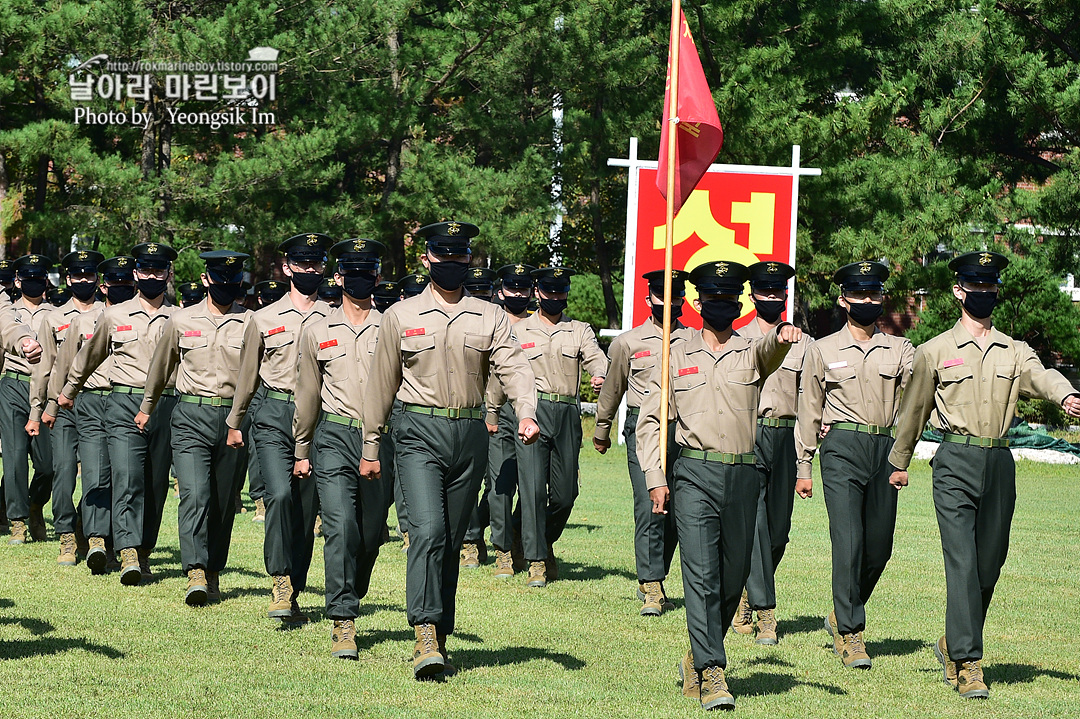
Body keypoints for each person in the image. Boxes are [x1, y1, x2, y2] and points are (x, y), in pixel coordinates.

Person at [888, 251, 1080, 699]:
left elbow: (1042, 375)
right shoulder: (933, 351)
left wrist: (1067, 396)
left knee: (989, 564)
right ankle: (969, 663)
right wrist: (899, 462)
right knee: (962, 563)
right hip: (954, 461)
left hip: (999, 463)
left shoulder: (1015, 350)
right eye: (975, 286)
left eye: (990, 286)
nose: (984, 294)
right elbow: (913, 410)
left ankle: (953, 641)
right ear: (959, 290)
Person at [360, 220, 539, 679]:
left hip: (470, 434)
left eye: (461, 256)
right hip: (417, 430)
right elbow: (381, 385)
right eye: (445, 255)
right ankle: (423, 631)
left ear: (469, 260)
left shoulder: (491, 315)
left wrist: (526, 410)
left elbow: (514, 365)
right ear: (428, 260)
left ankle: (440, 629)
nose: (454, 263)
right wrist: (371, 444)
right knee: (428, 531)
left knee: (453, 537)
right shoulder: (400, 315)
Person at [637, 260, 801, 710]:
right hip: (693, 473)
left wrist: (782, 334)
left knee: (732, 577)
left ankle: (697, 653)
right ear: (697, 301)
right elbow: (652, 420)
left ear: (739, 302)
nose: (722, 305)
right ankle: (712, 672)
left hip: (743, 474)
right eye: (714, 298)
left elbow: (771, 349)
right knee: (702, 573)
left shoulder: (751, 350)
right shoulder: (675, 352)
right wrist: (655, 476)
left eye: (730, 299)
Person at [794, 260, 913, 670]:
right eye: (859, 294)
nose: (867, 300)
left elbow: (918, 397)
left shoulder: (901, 349)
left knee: (879, 547)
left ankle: (842, 608)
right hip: (841, 447)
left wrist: (904, 454)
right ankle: (850, 632)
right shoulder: (821, 349)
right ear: (844, 300)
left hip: (885, 449)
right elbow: (809, 408)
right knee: (848, 541)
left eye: (874, 294)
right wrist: (804, 464)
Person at [225, 232, 333, 624]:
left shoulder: (332, 316)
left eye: (316, 263)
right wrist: (235, 421)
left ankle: (296, 586)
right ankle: (280, 579)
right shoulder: (264, 317)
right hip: (273, 413)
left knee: (306, 507)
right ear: (287, 267)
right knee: (281, 495)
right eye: (302, 263)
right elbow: (247, 375)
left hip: (318, 419)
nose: (309, 270)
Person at [60, 242, 179, 585]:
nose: (153, 276)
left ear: (168, 274)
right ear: (136, 274)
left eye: (159, 270)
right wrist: (68, 392)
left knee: (155, 483)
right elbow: (88, 356)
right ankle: (126, 549)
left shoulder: (179, 317)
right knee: (127, 476)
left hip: (166, 404)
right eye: (146, 270)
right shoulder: (114, 315)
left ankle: (143, 551)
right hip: (123, 401)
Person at [136, 251, 251, 605]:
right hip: (189, 415)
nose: (225, 288)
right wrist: (146, 408)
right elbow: (160, 367)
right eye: (220, 281)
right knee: (195, 494)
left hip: (232, 420)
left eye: (233, 282)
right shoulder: (181, 320)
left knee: (221, 503)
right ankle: (195, 571)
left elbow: (254, 375)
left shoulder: (250, 322)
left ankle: (214, 570)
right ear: (206, 280)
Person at [293, 238, 387, 659]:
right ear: (339, 277)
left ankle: (354, 584)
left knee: (370, 533)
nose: (361, 279)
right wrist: (302, 448)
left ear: (378, 277)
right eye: (353, 271)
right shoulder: (316, 329)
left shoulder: (393, 325)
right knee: (340, 525)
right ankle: (343, 620)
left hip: (382, 440)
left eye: (368, 271)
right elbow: (307, 395)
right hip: (333, 436)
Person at [593, 269, 690, 615]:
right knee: (651, 505)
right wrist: (601, 430)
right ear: (649, 299)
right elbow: (611, 391)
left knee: (678, 511)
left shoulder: (693, 341)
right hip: (643, 430)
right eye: (662, 296)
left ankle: (655, 572)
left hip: (683, 432)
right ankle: (652, 585)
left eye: (675, 296)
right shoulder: (627, 342)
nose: (669, 303)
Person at [731, 261, 813, 644]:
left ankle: (748, 589)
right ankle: (765, 613)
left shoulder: (803, 342)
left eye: (778, 291)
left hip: (787, 436)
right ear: (752, 295)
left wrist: (807, 454)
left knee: (778, 532)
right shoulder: (738, 338)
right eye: (764, 291)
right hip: (749, 435)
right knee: (757, 523)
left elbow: (813, 397)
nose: (772, 297)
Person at [515, 267, 607, 588]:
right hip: (532, 410)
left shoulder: (579, 330)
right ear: (537, 292)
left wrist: (599, 374)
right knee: (533, 489)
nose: (555, 297)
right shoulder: (519, 330)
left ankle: (532, 538)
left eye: (560, 291)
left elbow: (596, 357)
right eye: (549, 291)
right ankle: (538, 560)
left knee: (567, 494)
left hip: (568, 414)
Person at [42, 256, 134, 573]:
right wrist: (51, 406)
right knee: (92, 473)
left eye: (125, 283)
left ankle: (113, 542)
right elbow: (62, 365)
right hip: (89, 399)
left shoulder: (139, 317)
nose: (119, 289)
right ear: (104, 285)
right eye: (114, 283)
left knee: (124, 476)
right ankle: (89, 538)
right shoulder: (83, 320)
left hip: (126, 401)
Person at [27, 250, 105, 565]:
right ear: (68, 278)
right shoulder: (53, 318)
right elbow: (44, 369)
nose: (83, 280)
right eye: (77, 275)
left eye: (89, 275)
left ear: (97, 279)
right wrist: (37, 411)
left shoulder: (108, 314)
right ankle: (66, 536)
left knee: (96, 474)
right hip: (60, 407)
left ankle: (90, 530)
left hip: (95, 401)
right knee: (62, 471)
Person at [470, 263, 534, 578]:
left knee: (531, 485)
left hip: (523, 411)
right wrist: (490, 410)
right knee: (489, 484)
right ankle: (489, 545)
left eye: (525, 287)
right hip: (483, 408)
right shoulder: (486, 321)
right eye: (513, 287)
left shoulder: (538, 326)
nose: (519, 293)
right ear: (501, 291)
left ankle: (519, 538)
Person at [2, 254, 57, 544]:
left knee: (48, 464)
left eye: (39, 278)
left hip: (46, 391)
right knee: (13, 460)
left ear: (45, 280)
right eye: (27, 278)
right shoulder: (8, 312)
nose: (33, 283)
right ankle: (18, 521)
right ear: (17, 281)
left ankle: (36, 505)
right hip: (14, 385)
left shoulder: (57, 312)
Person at [459, 266, 497, 568]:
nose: (482, 297)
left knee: (496, 482)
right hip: (470, 407)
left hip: (502, 409)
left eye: (486, 291)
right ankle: (470, 540)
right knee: (470, 478)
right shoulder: (461, 320)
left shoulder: (499, 321)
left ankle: (479, 527)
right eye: (476, 291)